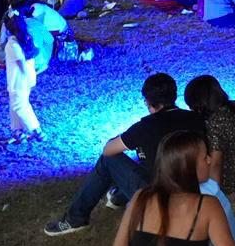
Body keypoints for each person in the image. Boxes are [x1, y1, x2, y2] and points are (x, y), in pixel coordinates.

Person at [46, 73, 206, 236]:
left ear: (149, 102)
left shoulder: (146, 127)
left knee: (110, 160)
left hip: (159, 197)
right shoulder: (195, 118)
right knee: (149, 162)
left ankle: (75, 219)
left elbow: (108, 150)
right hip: (192, 187)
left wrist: (123, 138)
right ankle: (117, 198)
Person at [107, 129, 235, 246]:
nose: (209, 160)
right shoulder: (207, 205)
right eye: (205, 157)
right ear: (189, 167)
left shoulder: (140, 197)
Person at [3, 6, 44, 145]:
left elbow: (20, 62)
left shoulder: (12, 44)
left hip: (19, 80)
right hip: (26, 78)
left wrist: (25, 77)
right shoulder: (26, 38)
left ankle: (36, 130)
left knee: (19, 105)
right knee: (16, 104)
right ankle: (17, 131)